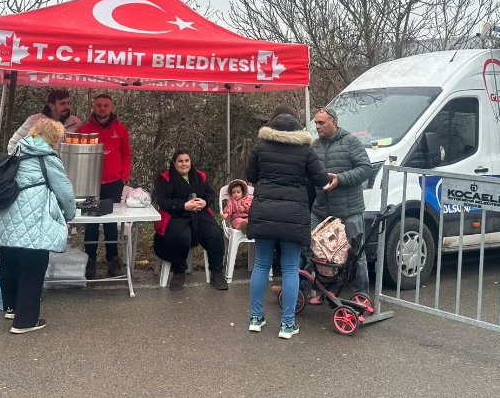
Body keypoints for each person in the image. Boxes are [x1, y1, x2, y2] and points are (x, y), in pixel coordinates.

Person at [246, 105, 330, 339]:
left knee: (262, 264)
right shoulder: (305, 149)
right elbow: (321, 179)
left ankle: (255, 318)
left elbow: (251, 176)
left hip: (264, 211)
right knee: (291, 267)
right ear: (296, 123)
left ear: (272, 121)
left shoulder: (261, 146)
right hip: (293, 214)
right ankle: (287, 324)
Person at [0, 119, 76, 334]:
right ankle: (25, 322)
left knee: (10, 259)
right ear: (54, 137)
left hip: (6, 215)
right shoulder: (47, 157)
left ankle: (11, 307)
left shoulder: (17, 151)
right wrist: (70, 213)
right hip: (32, 217)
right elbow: (64, 190)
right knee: (33, 265)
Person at [310, 107, 372, 302]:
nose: (317, 126)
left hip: (349, 210)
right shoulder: (314, 146)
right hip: (321, 209)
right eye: (316, 123)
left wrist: (341, 179)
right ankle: (322, 292)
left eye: (321, 123)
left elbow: (365, 169)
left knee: (356, 254)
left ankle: (360, 296)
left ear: (334, 122)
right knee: (317, 252)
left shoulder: (351, 142)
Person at [153, 150, 228, 291]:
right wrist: (183, 205)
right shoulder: (164, 179)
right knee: (181, 235)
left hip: (199, 214)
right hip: (176, 215)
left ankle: (217, 272)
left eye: (186, 160)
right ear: (174, 163)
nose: (184, 164)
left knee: (215, 233)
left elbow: (210, 193)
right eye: (180, 161)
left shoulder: (199, 176)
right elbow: (163, 202)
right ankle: (179, 271)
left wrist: (205, 202)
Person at [77, 94, 132, 279]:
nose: (102, 108)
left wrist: (123, 177)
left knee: (110, 223)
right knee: (90, 223)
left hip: (113, 184)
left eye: (106, 105)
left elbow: (127, 154)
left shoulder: (121, 129)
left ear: (112, 107)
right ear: (94, 107)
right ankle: (90, 261)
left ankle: (112, 260)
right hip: (90, 184)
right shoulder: (84, 129)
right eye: (99, 105)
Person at [7, 88, 81, 153]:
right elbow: (13, 144)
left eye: (68, 103)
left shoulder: (75, 123)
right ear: (51, 106)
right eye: (62, 103)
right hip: (38, 167)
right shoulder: (34, 120)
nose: (67, 106)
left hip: (66, 167)